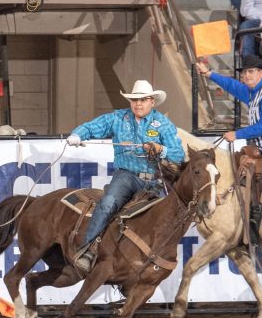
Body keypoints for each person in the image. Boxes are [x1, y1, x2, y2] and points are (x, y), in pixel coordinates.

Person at [66, 79, 184, 272]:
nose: (138, 104)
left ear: (152, 102)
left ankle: (156, 257)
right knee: (107, 203)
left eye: (143, 99)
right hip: (126, 175)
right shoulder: (118, 118)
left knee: (167, 216)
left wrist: (160, 149)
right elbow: (91, 127)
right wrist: (78, 135)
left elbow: (178, 154)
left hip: (155, 179)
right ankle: (88, 250)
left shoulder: (163, 124)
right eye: (135, 100)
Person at [197, 55, 262, 241]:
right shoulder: (252, 92)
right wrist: (209, 73)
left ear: (261, 73)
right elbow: (231, 86)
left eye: (251, 71)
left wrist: (238, 134)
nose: (246, 75)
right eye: (244, 73)